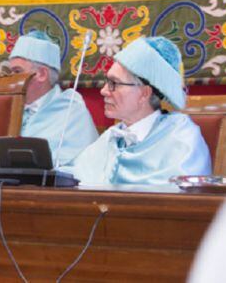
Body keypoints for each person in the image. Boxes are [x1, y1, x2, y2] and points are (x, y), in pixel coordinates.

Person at [62, 36, 211, 185]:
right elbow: (71, 178)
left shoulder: (181, 140)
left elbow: (179, 198)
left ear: (144, 93)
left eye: (114, 83)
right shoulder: (112, 137)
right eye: (107, 82)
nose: (103, 91)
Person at [8, 31, 98, 166]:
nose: (10, 79)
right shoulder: (6, 106)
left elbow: (83, 169)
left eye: (17, 72)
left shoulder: (71, 111)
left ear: (42, 74)